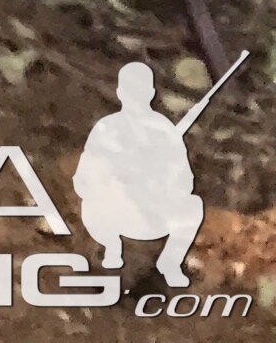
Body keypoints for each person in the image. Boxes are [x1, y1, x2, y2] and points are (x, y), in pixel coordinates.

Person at [75, 61, 206, 286]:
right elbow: (84, 178)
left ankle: (169, 263)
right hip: (112, 210)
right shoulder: (107, 128)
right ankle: (109, 255)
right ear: (120, 93)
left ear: (151, 93)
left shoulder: (164, 131)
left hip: (150, 212)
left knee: (192, 206)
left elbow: (185, 182)